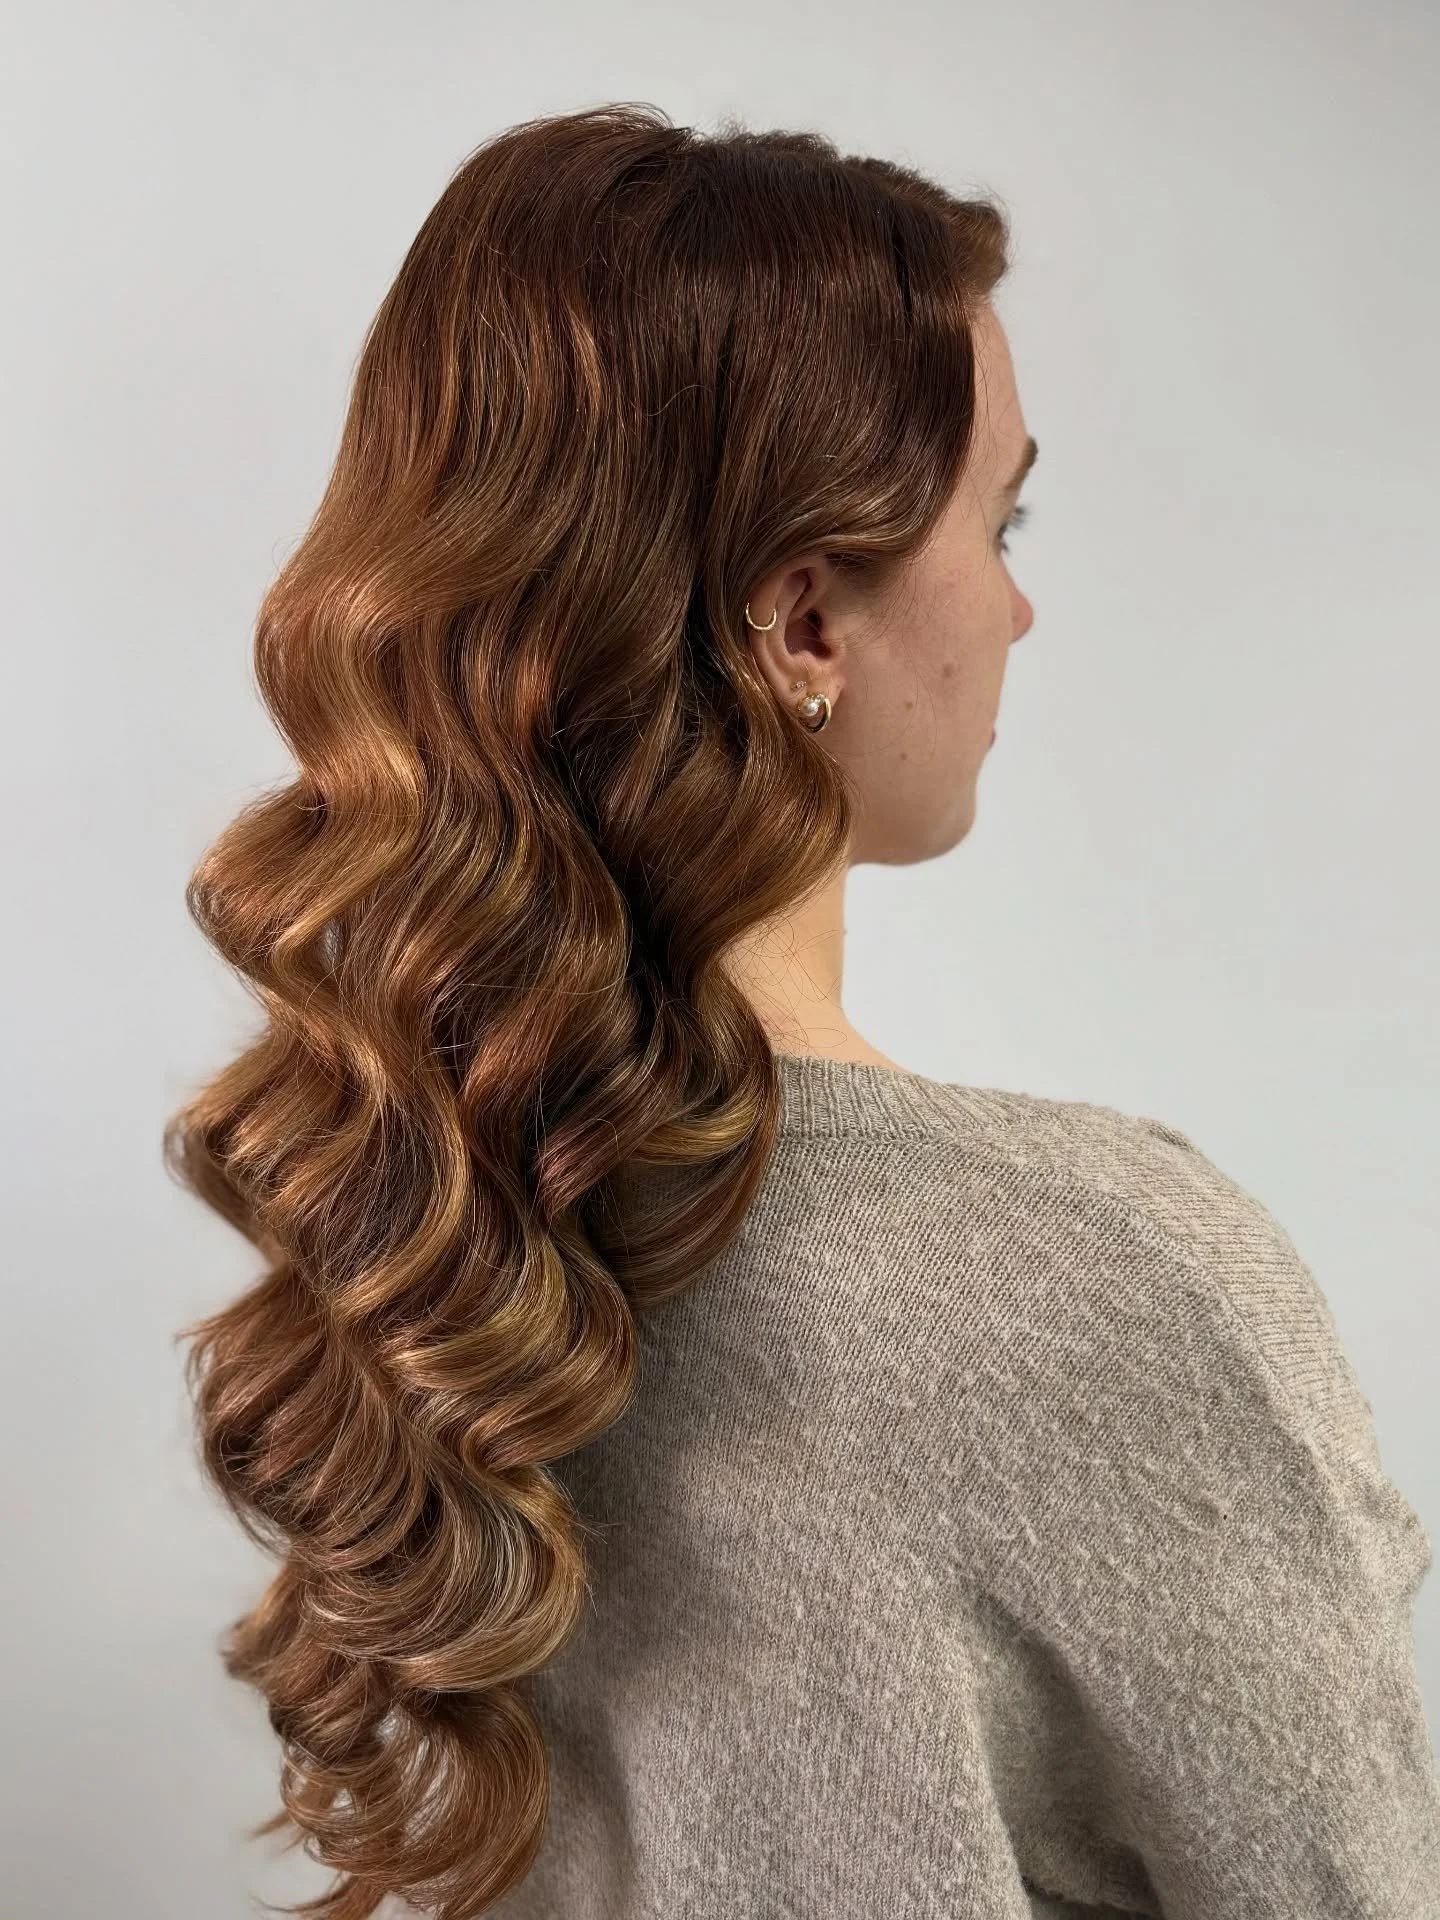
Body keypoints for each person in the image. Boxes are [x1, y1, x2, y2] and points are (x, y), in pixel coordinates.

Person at [164, 103, 1438, 1920]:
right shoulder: (1109, 1289)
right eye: (998, 518)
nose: (1017, 606)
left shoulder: (429, 1248)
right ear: (802, 627)